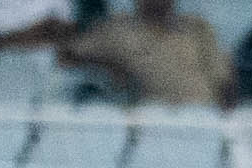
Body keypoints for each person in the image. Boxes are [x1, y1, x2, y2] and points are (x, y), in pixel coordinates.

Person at [63, 0, 233, 106]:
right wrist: (109, 66)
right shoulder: (117, 29)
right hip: (151, 123)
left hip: (204, 119)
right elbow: (67, 56)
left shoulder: (197, 28)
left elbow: (224, 81)